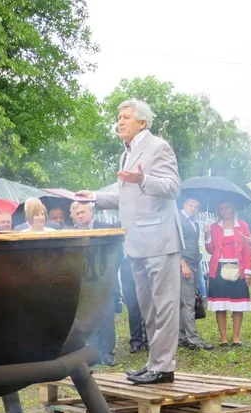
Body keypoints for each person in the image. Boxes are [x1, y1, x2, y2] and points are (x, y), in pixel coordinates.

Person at [77, 99, 183, 385]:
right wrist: (94, 198)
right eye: (118, 117)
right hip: (135, 242)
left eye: (125, 117)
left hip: (160, 240)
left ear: (142, 122)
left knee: (165, 306)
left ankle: (163, 366)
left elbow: (173, 187)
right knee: (146, 306)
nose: (119, 122)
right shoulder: (126, 154)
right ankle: (154, 363)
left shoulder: (158, 147)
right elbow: (126, 198)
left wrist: (144, 178)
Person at [71, 202, 119, 366]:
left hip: (104, 281)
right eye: (77, 214)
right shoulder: (71, 234)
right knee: (88, 318)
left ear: (91, 213)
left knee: (106, 316)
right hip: (83, 284)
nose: (80, 216)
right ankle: (92, 353)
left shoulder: (106, 228)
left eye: (83, 212)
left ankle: (107, 353)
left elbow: (116, 254)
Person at [205, 200, 251, 347]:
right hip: (218, 267)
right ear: (218, 210)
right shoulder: (213, 227)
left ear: (232, 208)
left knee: (237, 304)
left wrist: (248, 271)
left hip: (237, 267)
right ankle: (223, 338)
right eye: (221, 208)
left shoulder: (243, 225)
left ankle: (236, 337)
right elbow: (210, 250)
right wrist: (207, 235)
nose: (224, 210)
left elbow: (247, 249)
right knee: (220, 304)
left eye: (227, 207)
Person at [178, 197, 213, 351]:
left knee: (184, 302)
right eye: (191, 205)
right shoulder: (178, 220)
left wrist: (206, 234)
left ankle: (182, 336)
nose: (194, 209)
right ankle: (193, 339)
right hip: (184, 265)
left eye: (196, 206)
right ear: (184, 205)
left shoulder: (194, 222)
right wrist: (183, 265)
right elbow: (174, 244)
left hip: (195, 263)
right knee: (188, 303)